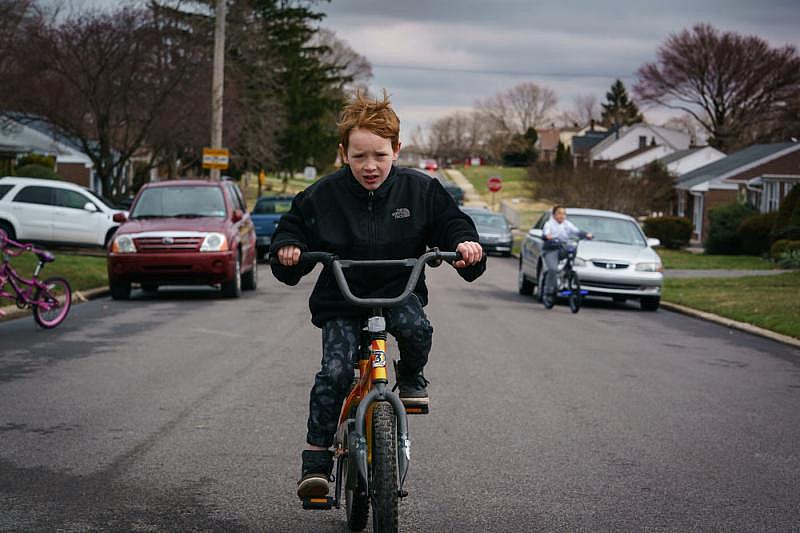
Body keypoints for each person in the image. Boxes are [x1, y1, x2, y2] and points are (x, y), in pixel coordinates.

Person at [270, 90, 486, 499]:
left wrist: (465, 246)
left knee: (418, 329)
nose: (370, 167)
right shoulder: (323, 195)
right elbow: (291, 229)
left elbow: (453, 224)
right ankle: (316, 462)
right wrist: (288, 249)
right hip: (342, 299)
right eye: (358, 157)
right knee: (333, 374)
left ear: (397, 149)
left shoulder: (421, 191)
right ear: (343, 153)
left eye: (380, 156)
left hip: (397, 292)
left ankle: (408, 376)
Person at [541, 206, 591, 306]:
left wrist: (586, 234)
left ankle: (567, 272)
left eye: (564, 214)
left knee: (572, 250)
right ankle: (549, 290)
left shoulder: (567, 224)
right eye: (559, 213)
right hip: (551, 249)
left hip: (562, 248)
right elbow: (545, 234)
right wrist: (548, 237)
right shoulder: (549, 224)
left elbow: (576, 231)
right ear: (554, 215)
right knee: (553, 269)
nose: (562, 216)